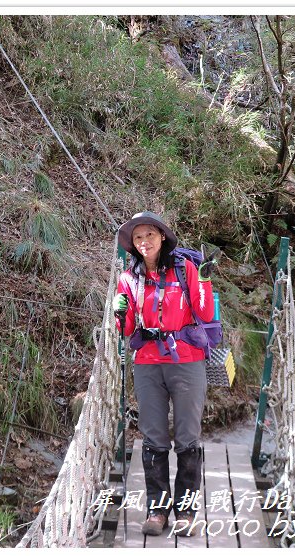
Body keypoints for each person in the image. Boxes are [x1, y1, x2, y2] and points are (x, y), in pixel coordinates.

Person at [112, 211, 217, 537]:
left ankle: (185, 512)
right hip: (147, 363)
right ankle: (157, 511)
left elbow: (204, 312)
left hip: (186, 360)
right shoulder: (129, 279)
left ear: (162, 238)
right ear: (133, 244)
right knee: (153, 437)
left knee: (187, 436)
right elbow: (128, 329)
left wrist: (204, 280)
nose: (144, 242)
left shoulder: (184, 270)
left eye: (150, 235)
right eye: (138, 237)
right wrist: (120, 313)